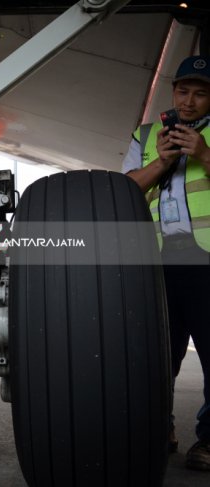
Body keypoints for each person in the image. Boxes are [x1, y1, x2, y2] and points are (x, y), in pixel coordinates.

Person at [122, 54, 210, 471]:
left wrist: (205, 156)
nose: (189, 102)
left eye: (200, 93)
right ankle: (161, 428)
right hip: (158, 261)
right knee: (157, 356)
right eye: (182, 91)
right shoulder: (146, 134)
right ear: (172, 91)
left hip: (206, 261)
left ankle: (208, 441)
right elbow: (122, 193)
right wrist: (161, 162)